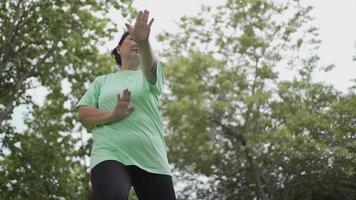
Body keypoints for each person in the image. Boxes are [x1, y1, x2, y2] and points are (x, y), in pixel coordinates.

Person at [75, 10, 176, 200]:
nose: (135, 42)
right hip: (110, 153)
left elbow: (151, 65)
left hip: (152, 157)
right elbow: (83, 113)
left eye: (138, 40)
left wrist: (144, 41)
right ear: (118, 48)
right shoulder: (101, 82)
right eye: (130, 39)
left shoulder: (148, 75)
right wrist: (112, 115)